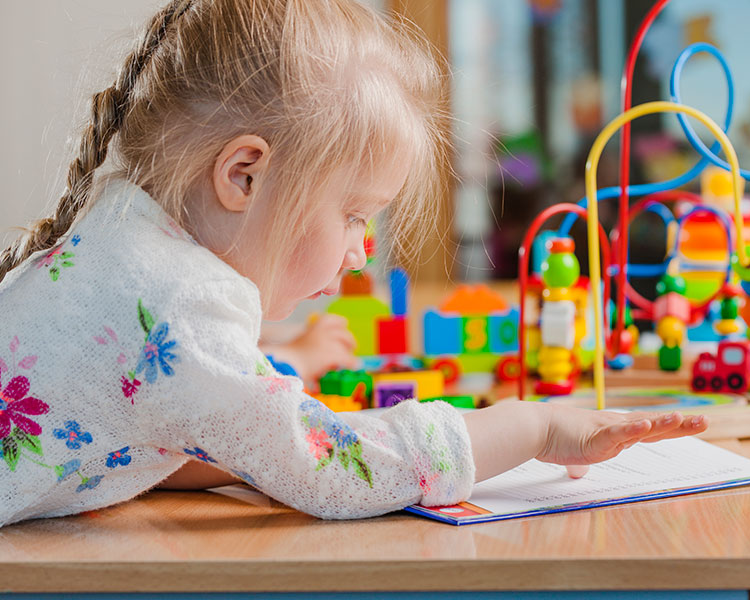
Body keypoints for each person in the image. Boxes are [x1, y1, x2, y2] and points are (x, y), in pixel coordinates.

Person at [0, 0, 707, 527]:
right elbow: (338, 467)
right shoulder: (177, 311)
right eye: (355, 215)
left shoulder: (123, 247)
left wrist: (266, 402)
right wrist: (531, 426)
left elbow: (149, 426)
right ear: (244, 176)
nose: (363, 248)